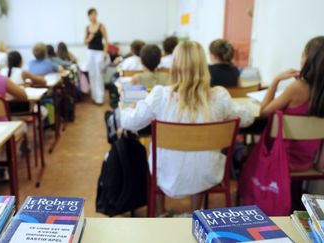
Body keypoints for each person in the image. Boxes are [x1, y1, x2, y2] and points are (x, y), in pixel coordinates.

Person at [120, 40, 254, 215]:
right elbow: (248, 118)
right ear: (204, 66)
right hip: (207, 175)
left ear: (174, 66)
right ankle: (194, 213)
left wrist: (127, 107)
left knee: (160, 153)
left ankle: (160, 213)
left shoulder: (160, 95)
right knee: (199, 157)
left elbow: (128, 122)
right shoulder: (220, 97)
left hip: (167, 175)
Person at [260, 36, 324, 172]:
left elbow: (264, 112)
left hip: (281, 160)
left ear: (309, 60)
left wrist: (276, 80)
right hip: (307, 163)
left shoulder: (297, 88)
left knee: (251, 150)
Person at [85, 8, 109, 105]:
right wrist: (89, 38)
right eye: (91, 14)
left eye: (95, 14)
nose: (93, 16)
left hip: (99, 52)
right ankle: (94, 96)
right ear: (89, 16)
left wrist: (105, 52)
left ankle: (100, 98)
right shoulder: (87, 28)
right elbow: (85, 41)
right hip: (90, 52)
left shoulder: (101, 26)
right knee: (92, 74)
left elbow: (107, 41)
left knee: (99, 74)